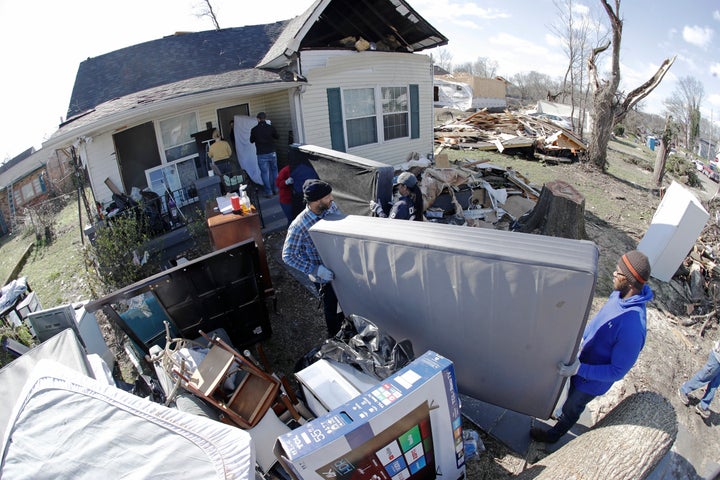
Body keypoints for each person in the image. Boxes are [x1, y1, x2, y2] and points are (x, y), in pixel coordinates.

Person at [530, 250, 654, 444]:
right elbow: (599, 321)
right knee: (564, 396)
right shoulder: (618, 295)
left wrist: (580, 369)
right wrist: (581, 340)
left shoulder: (633, 327)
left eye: (618, 272)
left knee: (573, 407)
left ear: (629, 281)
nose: (614, 273)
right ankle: (556, 410)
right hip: (579, 362)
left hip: (590, 382)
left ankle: (553, 436)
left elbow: (617, 371)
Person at [282, 179, 344, 337]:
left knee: (344, 303)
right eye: (328, 196)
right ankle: (334, 338)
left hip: (340, 267)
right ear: (317, 201)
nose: (332, 199)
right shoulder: (300, 225)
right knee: (331, 307)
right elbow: (288, 255)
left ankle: (347, 330)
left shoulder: (331, 208)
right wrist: (315, 270)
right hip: (323, 275)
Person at [678, 339, 720, 419]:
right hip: (717, 358)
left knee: (714, 385)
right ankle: (683, 390)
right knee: (704, 377)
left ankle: (703, 406)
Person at [250, 112, 279, 198]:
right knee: (274, 171)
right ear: (265, 118)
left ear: (258, 119)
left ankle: (269, 192)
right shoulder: (270, 128)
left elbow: (251, 140)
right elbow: (277, 136)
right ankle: (276, 189)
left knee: (264, 173)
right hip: (272, 152)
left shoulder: (254, 129)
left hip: (261, 154)